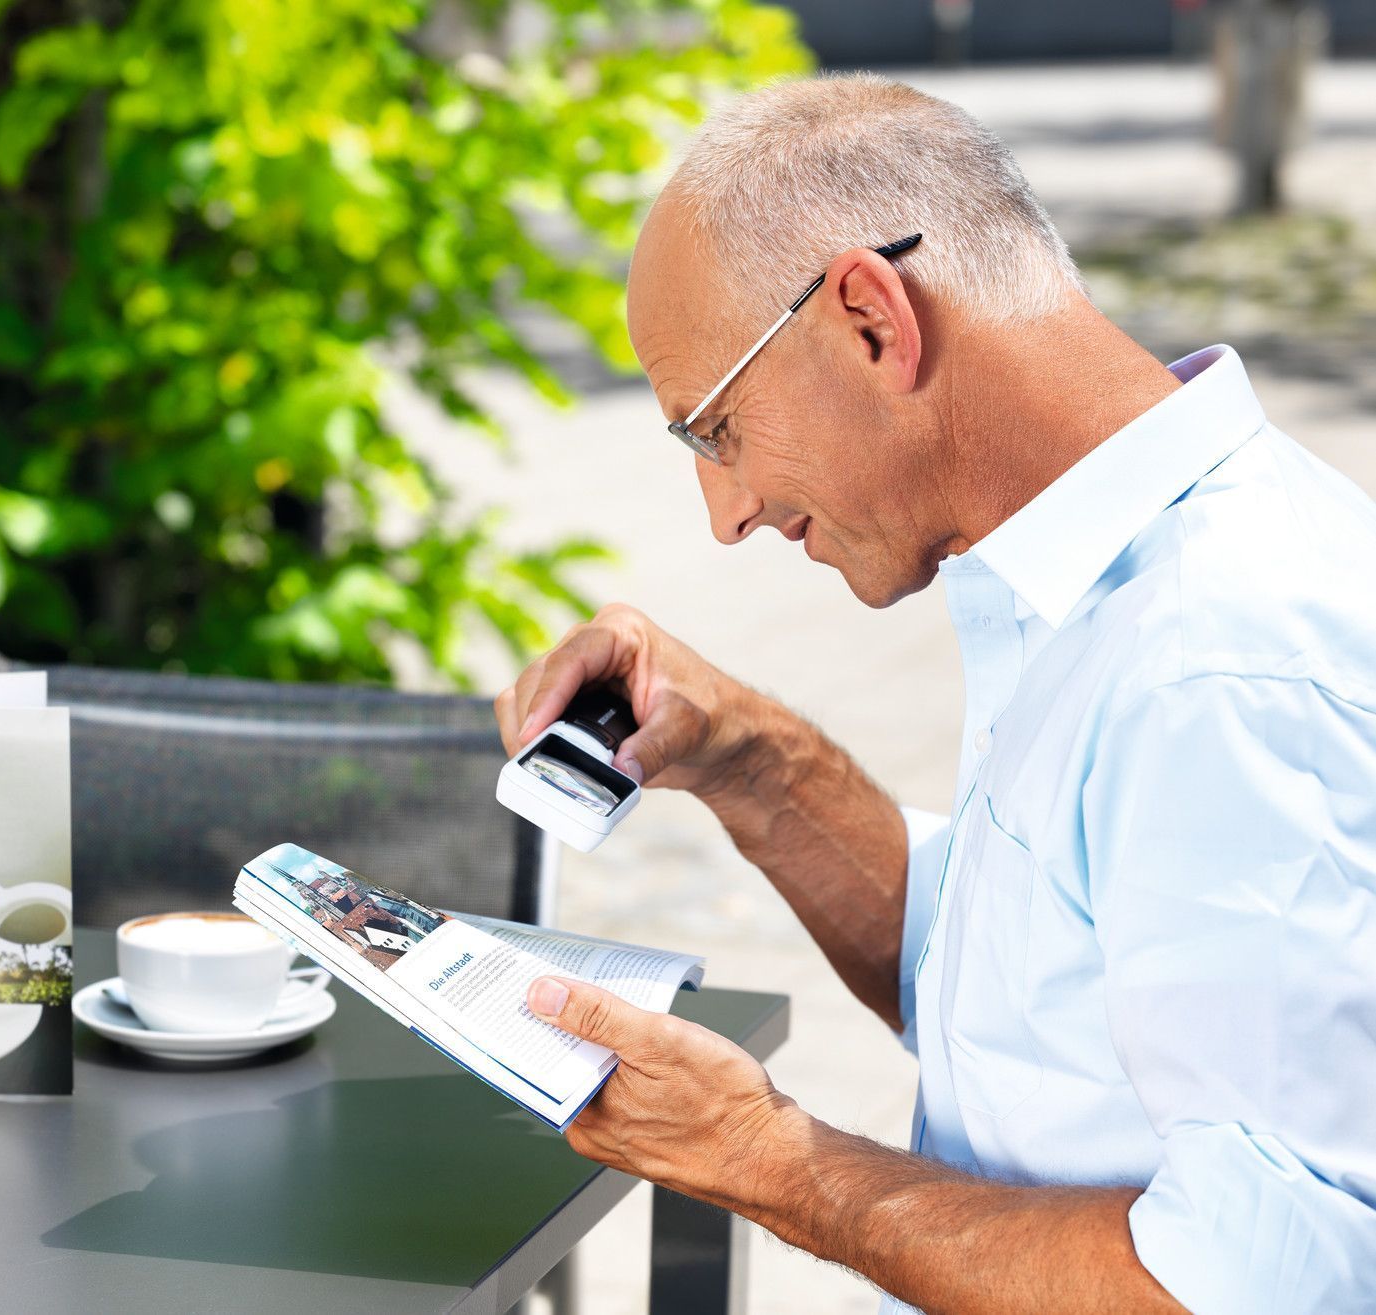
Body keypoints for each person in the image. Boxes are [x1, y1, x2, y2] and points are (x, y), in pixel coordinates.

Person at [495, 74, 1376, 1313]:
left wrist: (758, 1156)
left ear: (870, 318)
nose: (726, 513)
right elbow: (1019, 1008)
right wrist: (748, 757)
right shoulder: (1091, 578)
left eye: (718, 430)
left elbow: (1246, 1291)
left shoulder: (1218, 667)